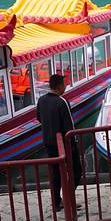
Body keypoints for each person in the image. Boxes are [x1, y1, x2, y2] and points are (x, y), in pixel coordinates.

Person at [36, 74, 82, 212]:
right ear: (59, 86)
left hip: (48, 142)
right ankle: (68, 199)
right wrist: (73, 144)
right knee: (76, 170)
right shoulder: (62, 102)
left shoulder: (41, 100)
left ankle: (57, 202)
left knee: (55, 173)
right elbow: (69, 126)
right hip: (64, 144)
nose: (65, 87)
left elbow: (39, 117)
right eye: (64, 84)